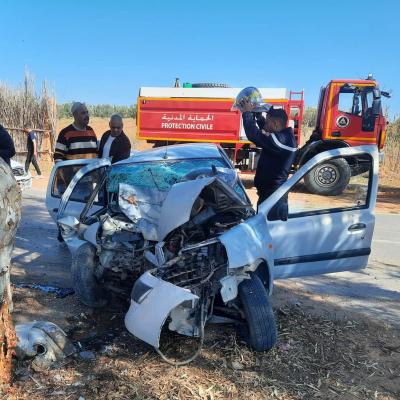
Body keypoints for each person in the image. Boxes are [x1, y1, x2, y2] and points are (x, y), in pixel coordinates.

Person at [240, 99, 297, 217]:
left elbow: (254, 135)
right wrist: (259, 115)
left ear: (275, 124)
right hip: (270, 196)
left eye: (267, 122)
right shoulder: (284, 137)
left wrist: (247, 113)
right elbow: (266, 129)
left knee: (269, 231)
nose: (264, 126)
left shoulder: (281, 141)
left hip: (273, 198)